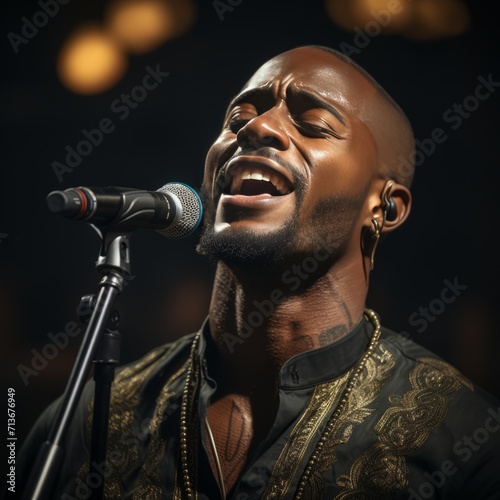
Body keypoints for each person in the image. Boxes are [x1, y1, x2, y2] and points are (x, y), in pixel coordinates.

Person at [17, 45, 500, 499]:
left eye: (313, 122)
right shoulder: (82, 424)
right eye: (238, 118)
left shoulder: (465, 441)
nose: (258, 128)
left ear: (386, 208)